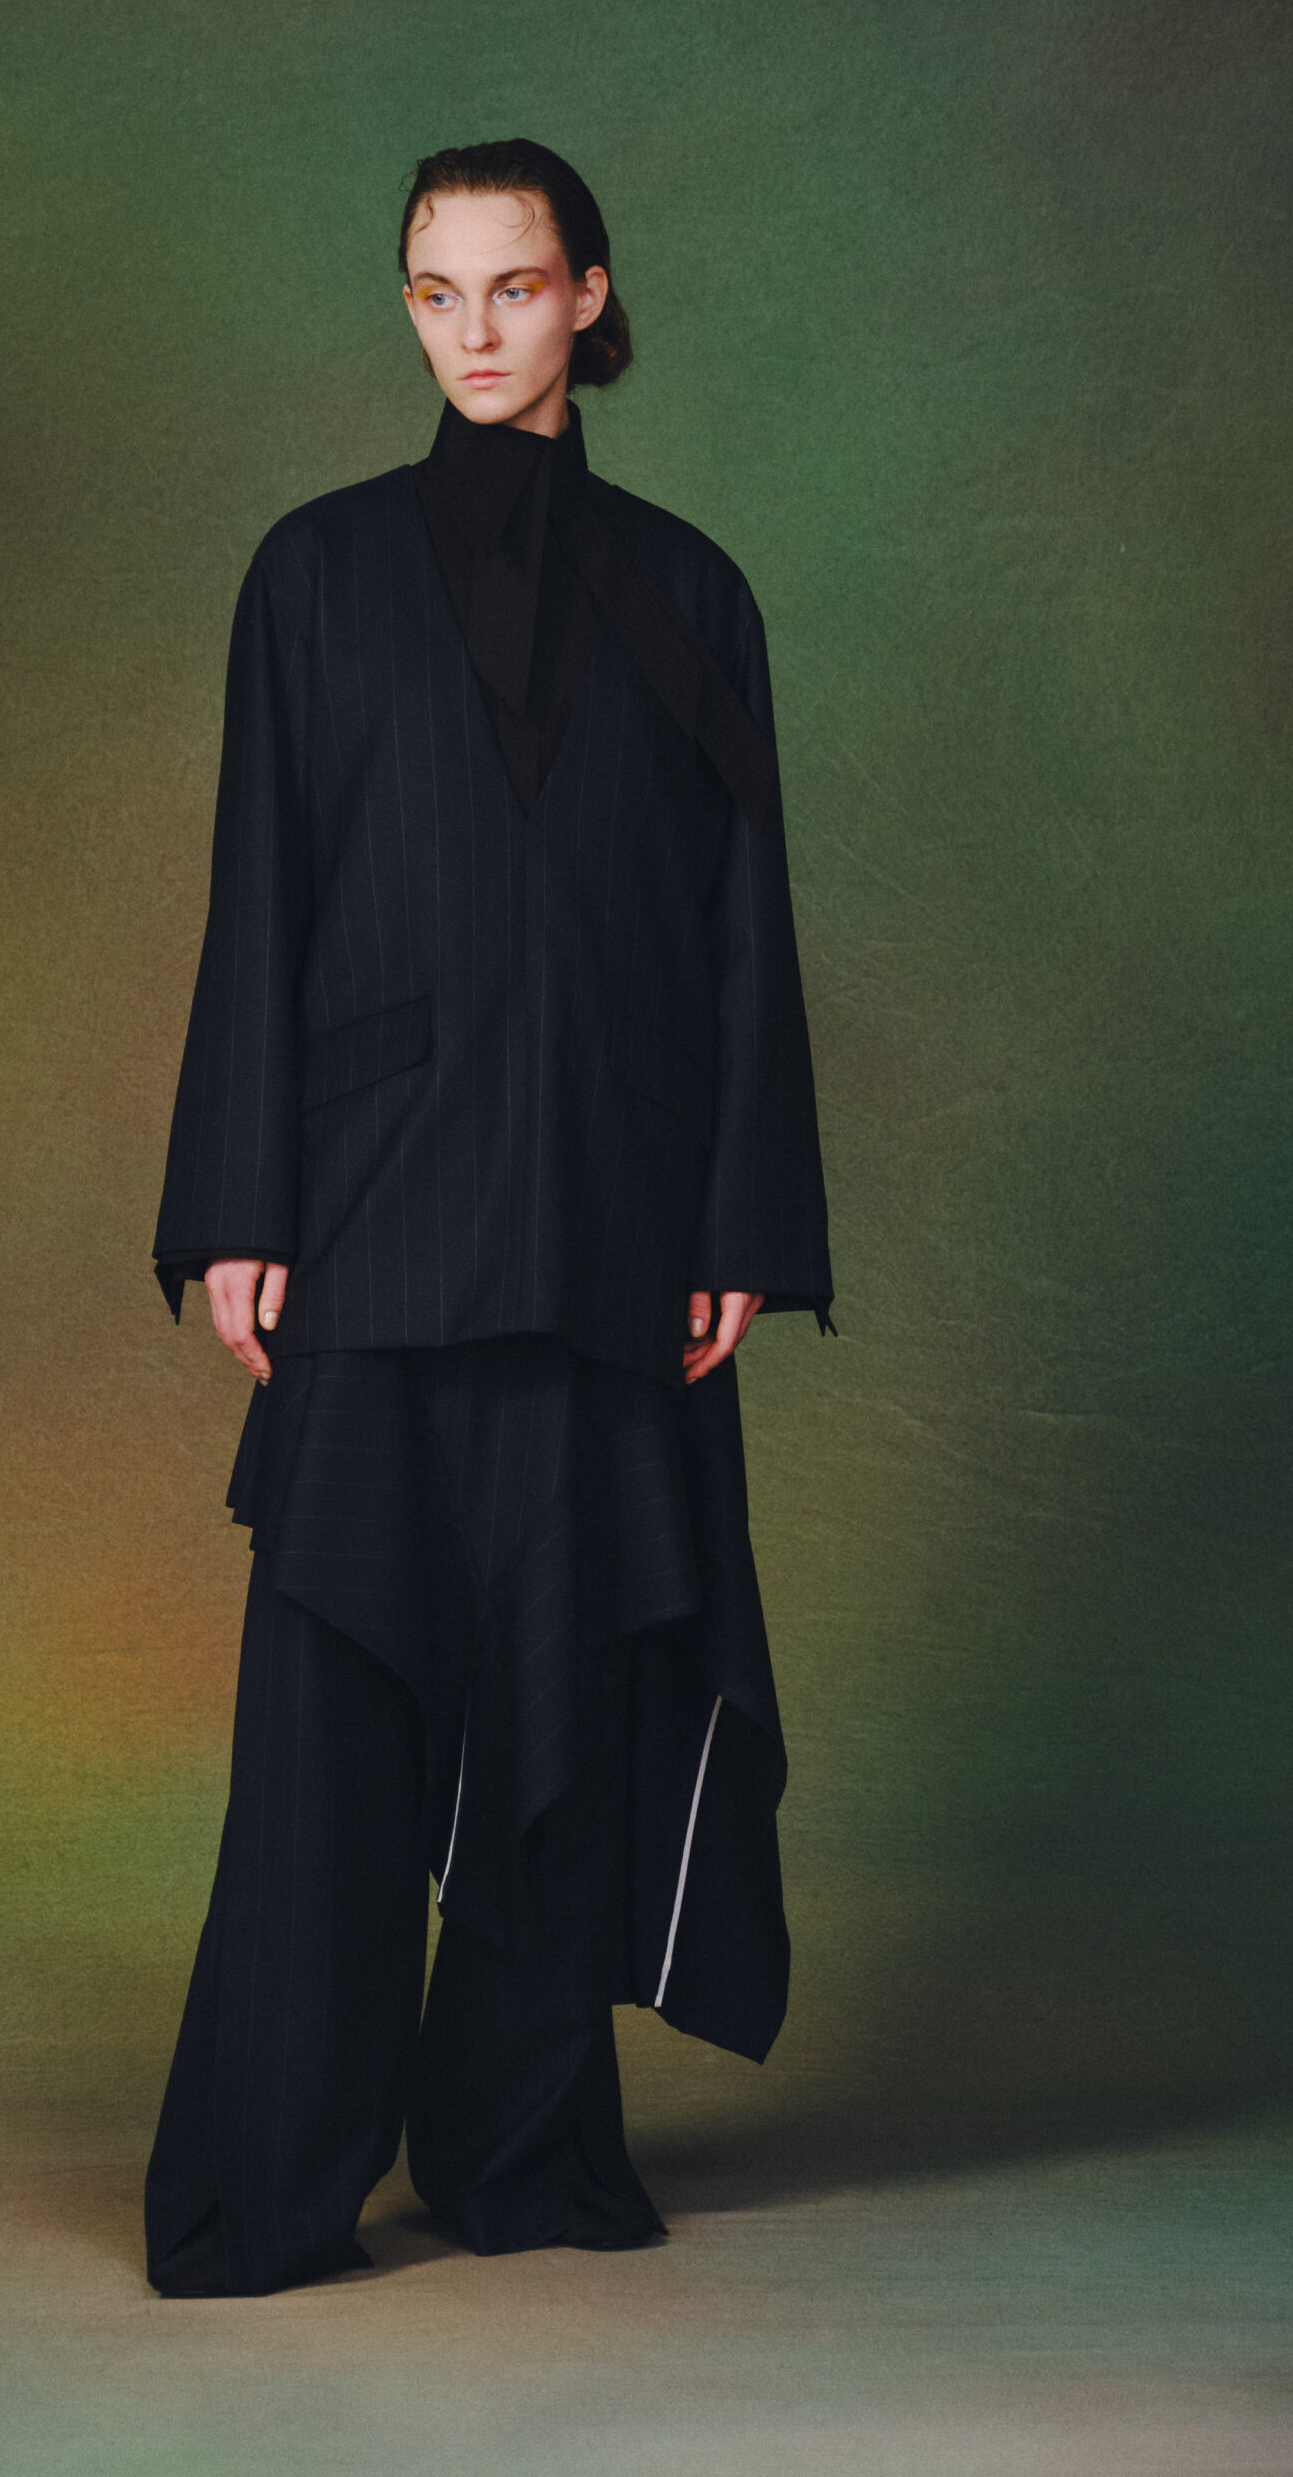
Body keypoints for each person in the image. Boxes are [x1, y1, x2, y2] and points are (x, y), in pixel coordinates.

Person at [142, 137, 834, 2299]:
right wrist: (239, 1205)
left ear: (587, 297)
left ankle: (518, 2152)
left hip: (616, 1219)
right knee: (333, 1710)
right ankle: (271, 2175)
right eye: (435, 291)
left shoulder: (695, 592)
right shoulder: (312, 573)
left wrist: (738, 1216)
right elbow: (262, 893)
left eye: (513, 287)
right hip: (372, 1212)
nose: (472, 329)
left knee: (568, 1698)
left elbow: (742, 927)